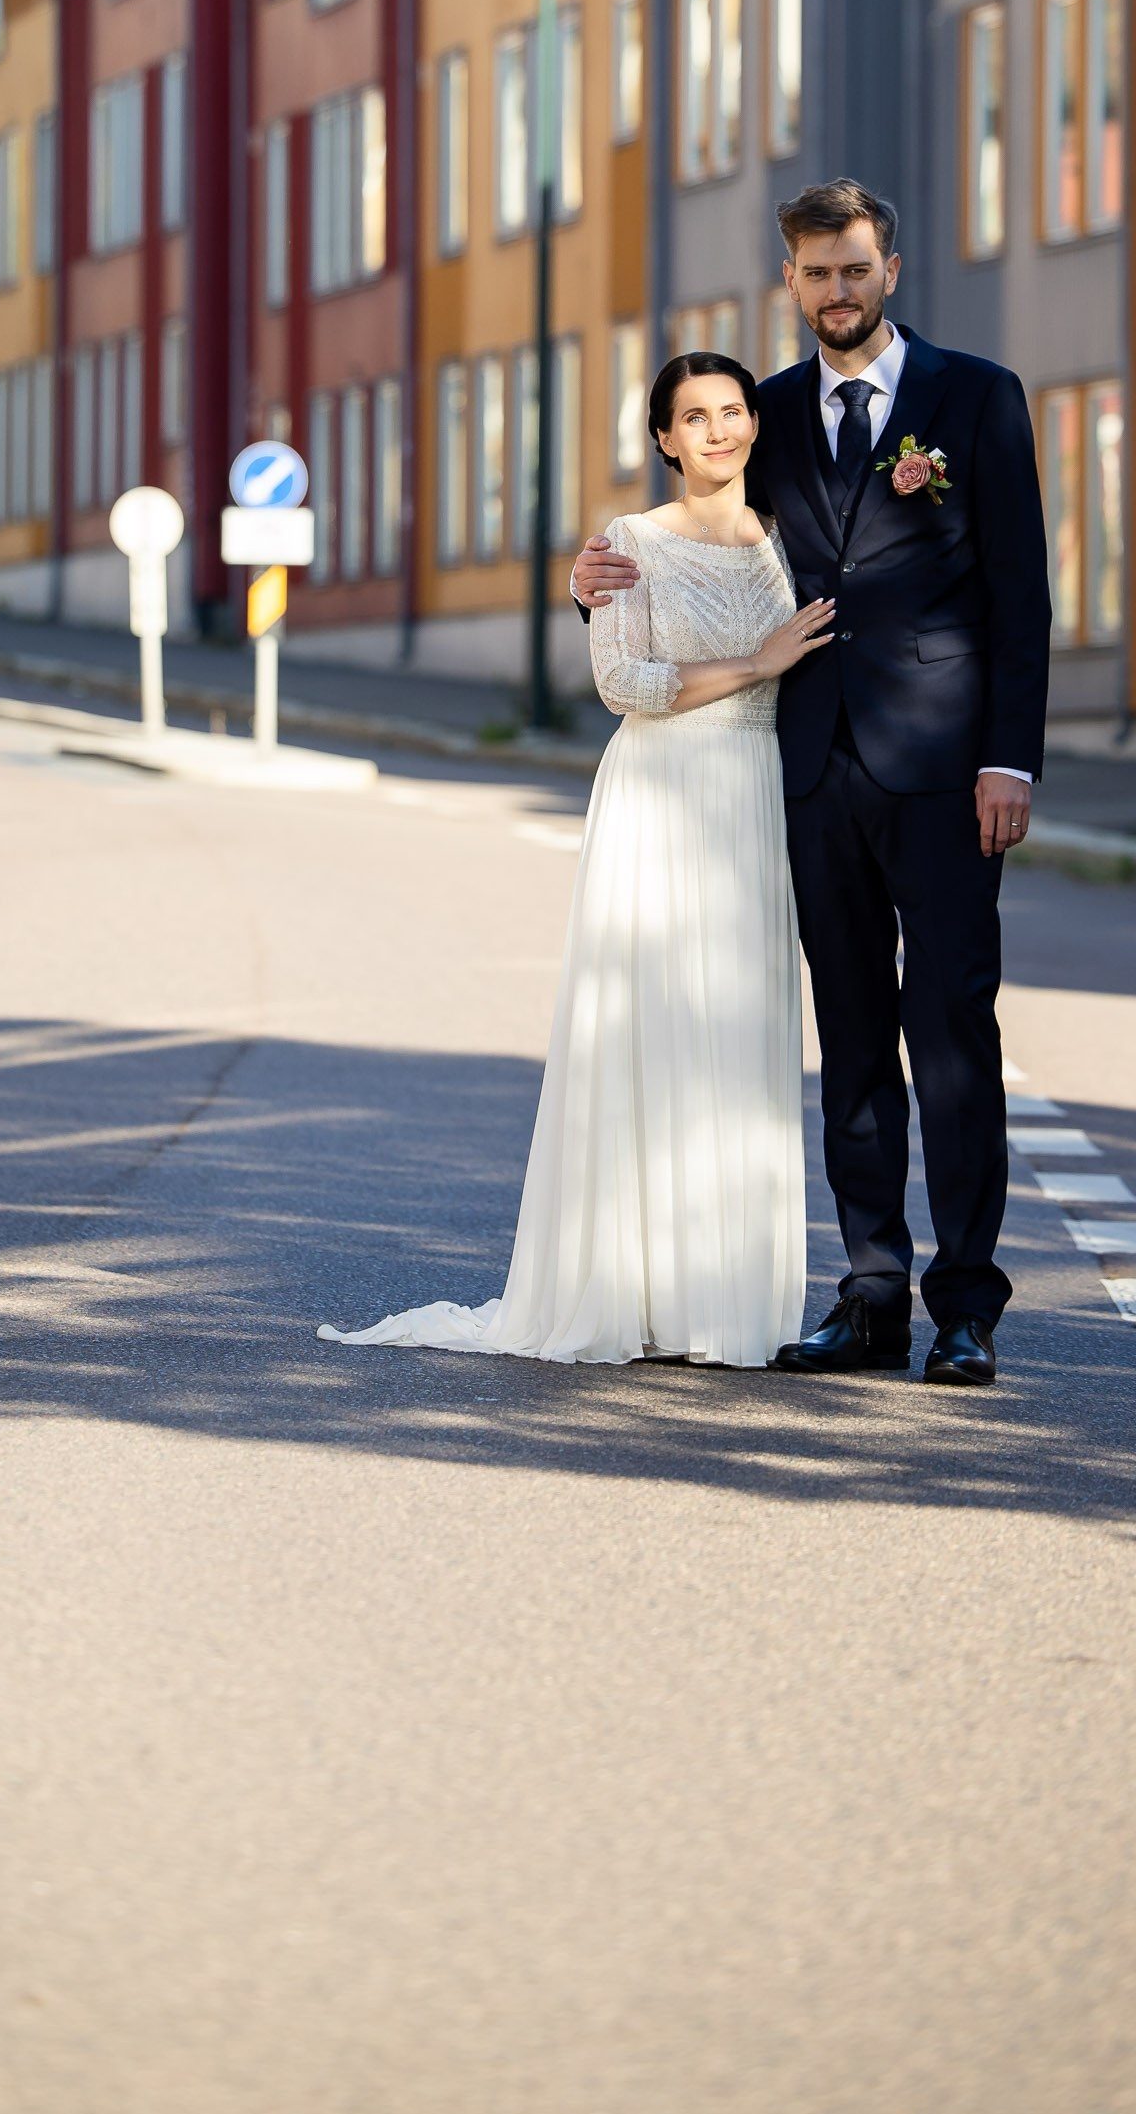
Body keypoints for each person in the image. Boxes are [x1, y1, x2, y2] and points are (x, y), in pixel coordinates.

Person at [570, 181, 1050, 1387]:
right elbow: (699, 523)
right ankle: (871, 1290)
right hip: (808, 766)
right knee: (848, 1038)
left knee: (951, 1035)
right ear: (789, 284)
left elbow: (1020, 597)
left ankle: (966, 1307)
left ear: (892, 269)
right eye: (814, 274)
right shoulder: (766, 412)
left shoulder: (977, 398)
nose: (835, 291)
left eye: (854, 269)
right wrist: (594, 580)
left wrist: (1009, 757)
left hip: (946, 776)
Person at [320, 354, 831, 1368]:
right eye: (695, 417)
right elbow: (625, 684)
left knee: (736, 1043)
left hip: (757, 802)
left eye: (733, 411)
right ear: (663, 439)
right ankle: (629, 1291)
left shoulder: (796, 540)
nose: (719, 430)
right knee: (649, 1034)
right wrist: (757, 664)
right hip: (659, 794)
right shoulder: (629, 543)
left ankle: (722, 1304)